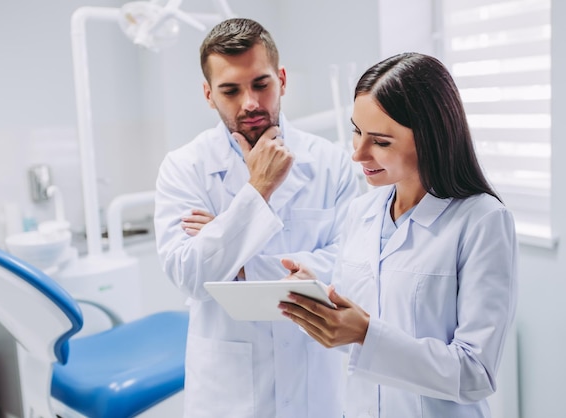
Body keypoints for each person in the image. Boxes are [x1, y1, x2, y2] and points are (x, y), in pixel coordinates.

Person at [278, 52, 518, 418]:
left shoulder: (482, 221)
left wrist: (367, 334)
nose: (357, 154)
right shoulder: (361, 212)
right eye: (356, 131)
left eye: (380, 141)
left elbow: (475, 374)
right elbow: (356, 342)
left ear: (431, 137)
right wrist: (322, 303)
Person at [153, 18, 360, 418]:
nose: (249, 102)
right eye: (230, 90)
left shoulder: (331, 162)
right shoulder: (184, 167)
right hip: (230, 391)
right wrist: (258, 189)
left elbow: (353, 264)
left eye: (261, 84)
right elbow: (191, 276)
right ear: (208, 95)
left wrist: (238, 262)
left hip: (313, 380)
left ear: (281, 79)